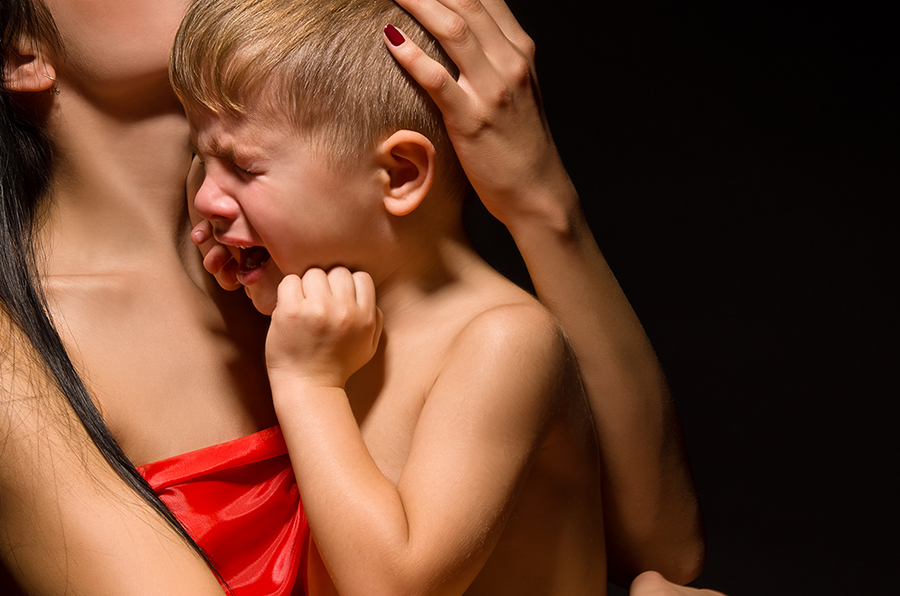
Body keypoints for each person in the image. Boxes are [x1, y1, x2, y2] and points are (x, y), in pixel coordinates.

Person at [0, 0, 703, 593]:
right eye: (218, 163)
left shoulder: (335, 244)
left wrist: (541, 203)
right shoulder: (19, 355)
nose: (216, 194)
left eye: (242, 165)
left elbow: (663, 556)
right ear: (19, 50)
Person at [175, 0, 604, 593]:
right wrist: (260, 263)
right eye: (200, 159)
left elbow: (393, 587)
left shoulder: (502, 340)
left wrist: (308, 386)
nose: (205, 200)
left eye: (242, 166)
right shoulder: (332, 321)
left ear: (400, 174)